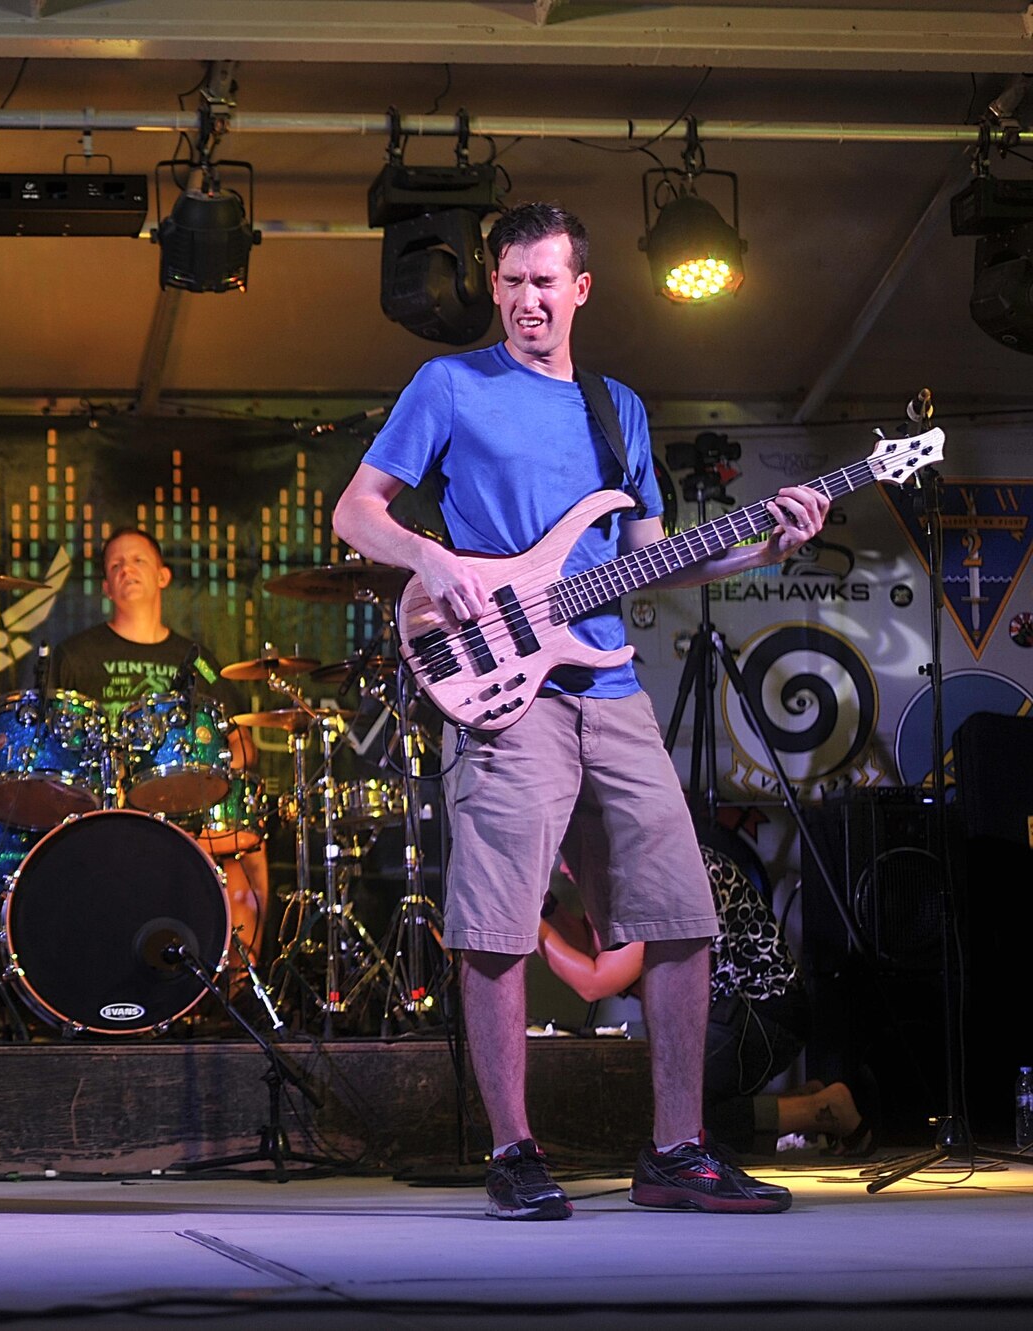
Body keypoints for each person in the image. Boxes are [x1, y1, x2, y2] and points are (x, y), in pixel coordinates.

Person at [331, 202, 830, 1219]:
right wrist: (431, 558)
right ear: (494, 285)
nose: (527, 300)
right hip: (504, 692)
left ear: (581, 288)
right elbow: (355, 510)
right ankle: (513, 1150)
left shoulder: (617, 408)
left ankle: (677, 1149)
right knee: (496, 928)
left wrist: (767, 545)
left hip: (608, 686)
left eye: (544, 282)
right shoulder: (449, 384)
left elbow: (653, 557)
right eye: (511, 282)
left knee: (682, 915)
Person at [535, 805, 870, 1157]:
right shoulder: (630, 862)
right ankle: (806, 1100)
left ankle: (825, 1110)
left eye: (571, 854)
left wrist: (529, 923)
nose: (564, 869)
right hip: (729, 1014)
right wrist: (546, 909)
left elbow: (594, 982)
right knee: (650, 1102)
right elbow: (596, 950)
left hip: (761, 1014)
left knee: (670, 1117)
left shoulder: (653, 875)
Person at [48, 528, 269, 974]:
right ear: (106, 587)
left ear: (163, 576)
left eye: (138, 561)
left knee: (250, 845)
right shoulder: (74, 656)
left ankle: (240, 985)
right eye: (115, 565)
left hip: (184, 808)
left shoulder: (196, 660)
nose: (126, 569)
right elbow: (52, 748)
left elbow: (240, 742)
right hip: (107, 809)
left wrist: (219, 770)